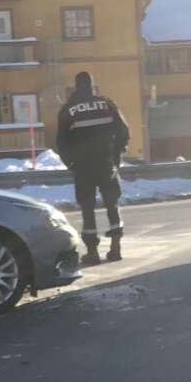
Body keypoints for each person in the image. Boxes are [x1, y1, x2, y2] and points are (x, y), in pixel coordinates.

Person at [55, 71, 131, 264]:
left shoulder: (68, 110)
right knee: (112, 204)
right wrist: (116, 156)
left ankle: (92, 253)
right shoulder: (106, 104)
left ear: (76, 86)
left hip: (83, 168)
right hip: (107, 164)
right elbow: (123, 130)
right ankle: (115, 248)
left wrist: (71, 163)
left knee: (87, 209)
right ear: (92, 85)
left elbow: (61, 143)